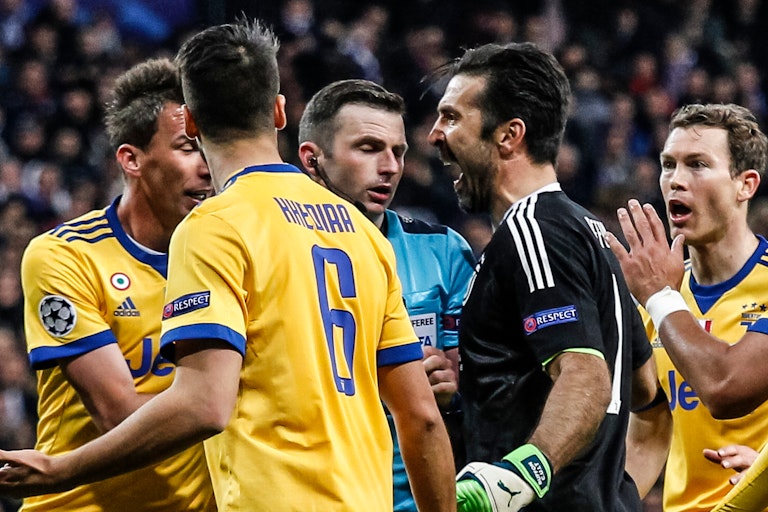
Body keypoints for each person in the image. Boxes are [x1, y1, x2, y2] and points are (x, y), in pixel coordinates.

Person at [0, 19, 456, 512]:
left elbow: (203, 405)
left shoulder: (216, 227)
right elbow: (422, 418)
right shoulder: (361, 231)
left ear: (192, 121)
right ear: (280, 112)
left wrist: (60, 469)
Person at [426, 41, 670, 511]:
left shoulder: (531, 230)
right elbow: (644, 392)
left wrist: (519, 478)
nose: (436, 134)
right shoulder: (588, 230)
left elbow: (587, 376)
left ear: (509, 135)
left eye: (452, 117)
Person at [15, 57, 216, 512]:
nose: (208, 167)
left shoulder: (232, 257)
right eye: (188, 148)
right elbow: (118, 413)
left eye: (211, 148)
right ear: (132, 159)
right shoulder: (65, 255)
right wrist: (225, 387)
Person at [297, 78, 476, 511]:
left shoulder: (443, 251)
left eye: (398, 151)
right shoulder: (277, 255)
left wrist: (454, 386)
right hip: (315, 495)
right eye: (369, 148)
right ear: (313, 160)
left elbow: (478, 382)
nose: (391, 166)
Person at [605, 103, 768, 511]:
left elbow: (723, 387)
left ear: (745, 184)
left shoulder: (658, 298)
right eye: (668, 165)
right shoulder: (653, 300)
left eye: (697, 164)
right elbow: (646, 430)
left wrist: (660, 297)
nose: (676, 181)